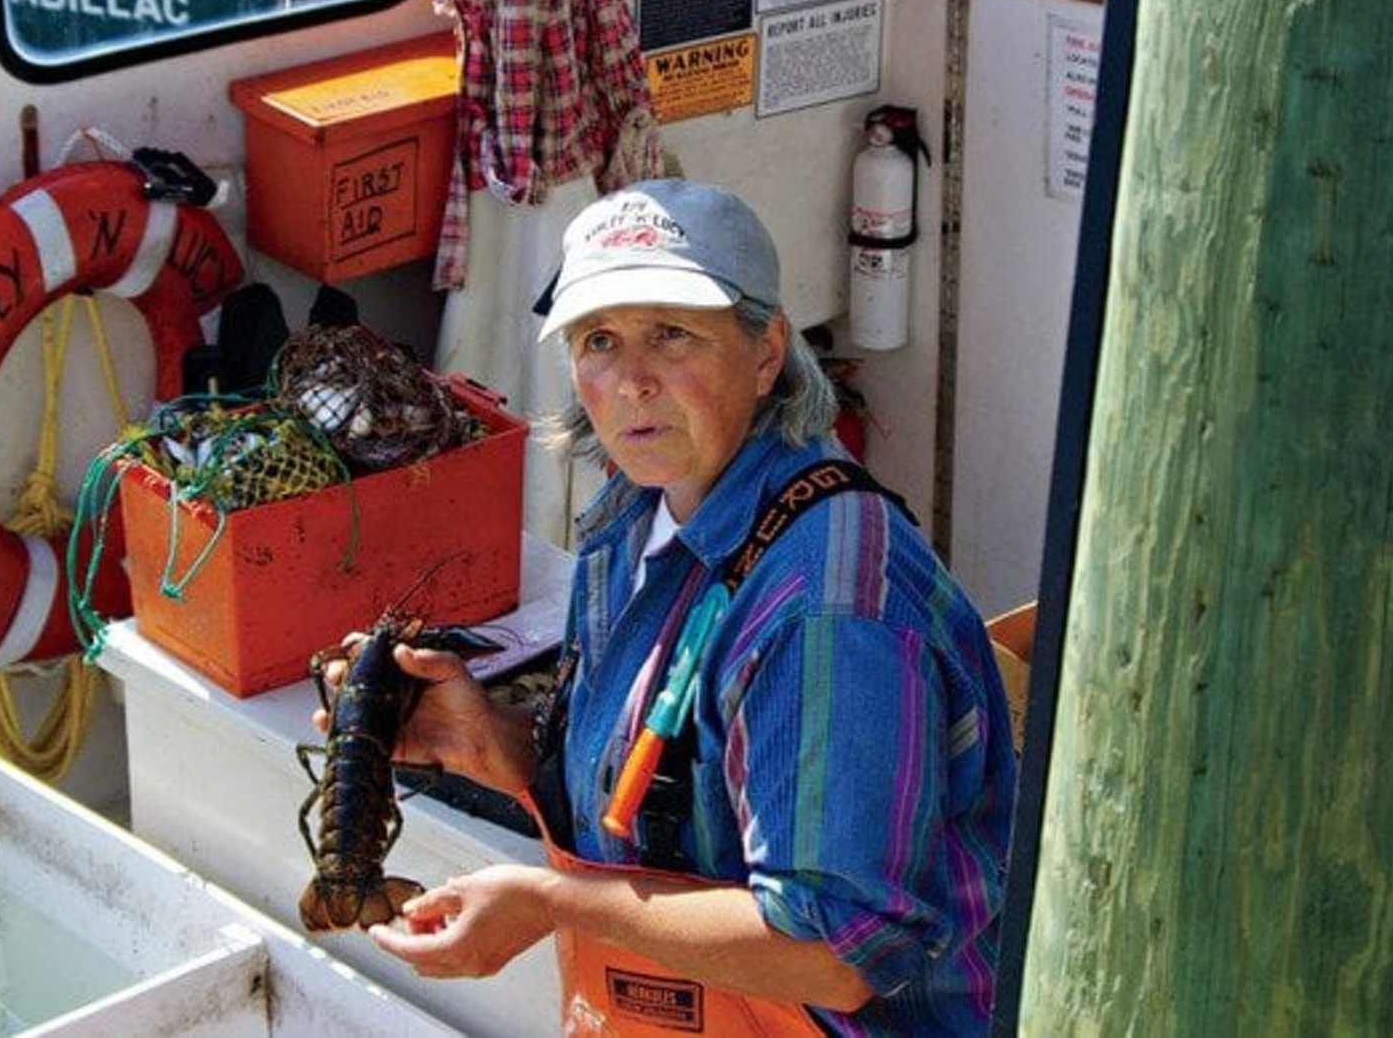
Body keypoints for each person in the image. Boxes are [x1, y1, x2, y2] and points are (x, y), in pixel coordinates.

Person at [317, 178, 1018, 1034]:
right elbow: (668, 799)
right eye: (600, 340)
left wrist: (553, 902)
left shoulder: (827, 611)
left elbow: (833, 953)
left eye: (672, 335)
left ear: (767, 351)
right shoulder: (640, 515)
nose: (632, 381)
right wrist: (491, 741)